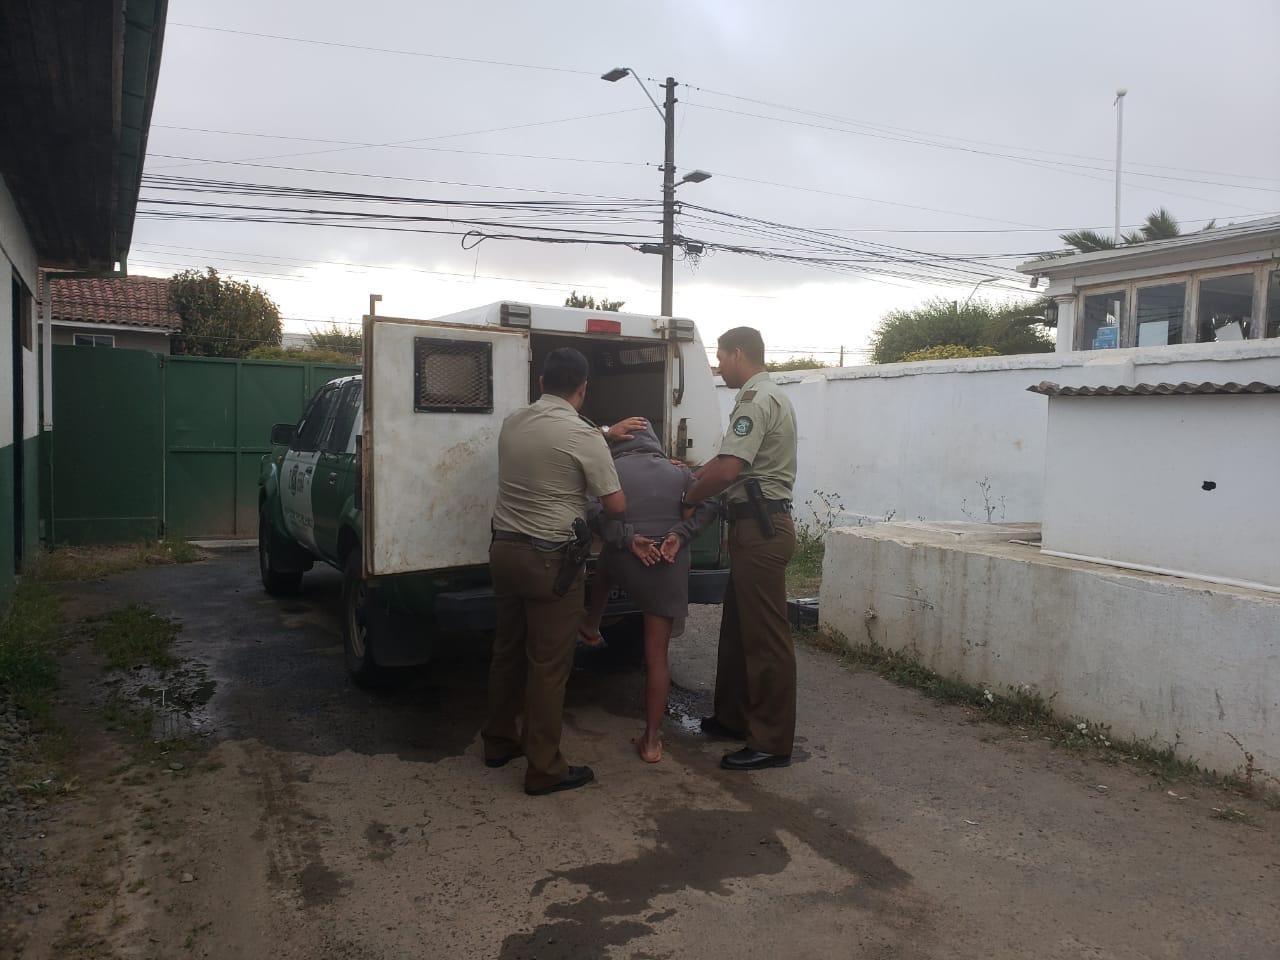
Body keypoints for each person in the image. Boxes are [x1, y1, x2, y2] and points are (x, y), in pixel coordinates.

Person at [482, 347, 639, 796]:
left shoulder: (513, 421)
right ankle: (545, 768)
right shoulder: (583, 435)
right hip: (550, 562)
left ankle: (498, 742)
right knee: (549, 666)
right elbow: (615, 504)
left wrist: (604, 433)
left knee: (507, 651)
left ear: (540, 383)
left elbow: (554, 441)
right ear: (583, 388)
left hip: (504, 552)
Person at [682, 326, 798, 771]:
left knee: (765, 639)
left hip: (761, 530)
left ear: (737, 353)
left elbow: (729, 469)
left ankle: (771, 741)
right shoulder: (764, 397)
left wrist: (688, 496)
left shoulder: (755, 399)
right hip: (751, 527)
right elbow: (724, 460)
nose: (718, 366)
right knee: (736, 630)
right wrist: (691, 473)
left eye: (720, 357)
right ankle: (732, 717)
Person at [580, 425, 718, 763]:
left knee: (608, 556)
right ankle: (652, 742)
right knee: (657, 657)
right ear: (655, 443)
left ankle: (592, 622)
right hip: (668, 564)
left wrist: (627, 538)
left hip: (627, 558)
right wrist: (681, 534)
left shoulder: (612, 469)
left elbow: (593, 512)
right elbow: (710, 504)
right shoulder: (679, 472)